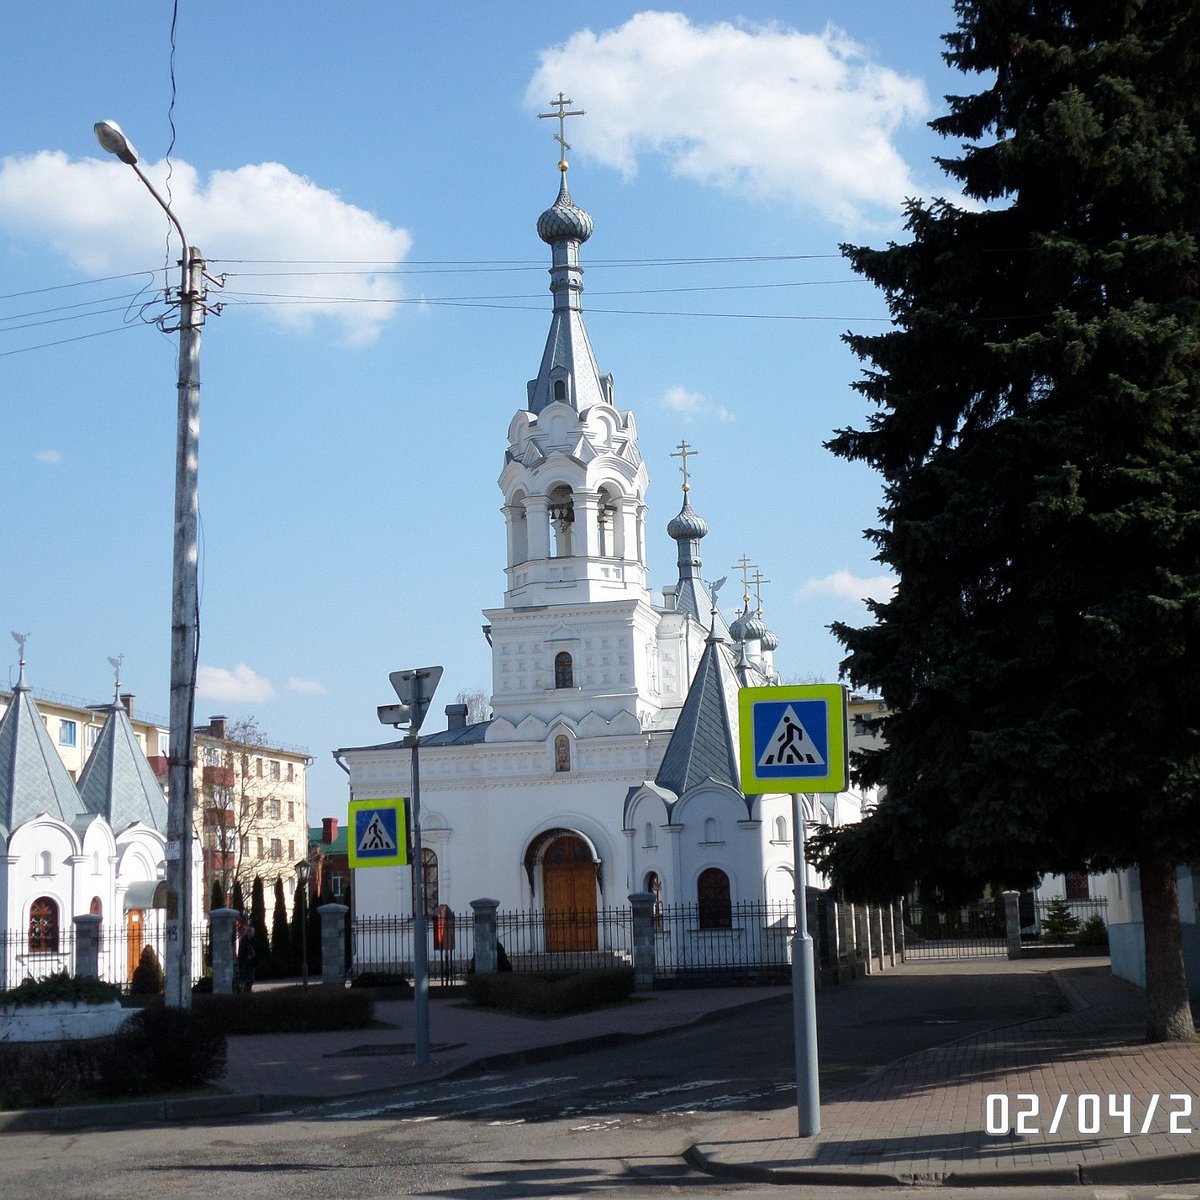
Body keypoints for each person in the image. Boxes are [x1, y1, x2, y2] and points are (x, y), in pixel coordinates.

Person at [237, 923, 257, 993]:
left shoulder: (249, 940)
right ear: (249, 932)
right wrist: (248, 956)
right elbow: (242, 952)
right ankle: (246, 993)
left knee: (250, 980)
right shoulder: (245, 941)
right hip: (247, 964)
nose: (253, 934)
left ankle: (247, 992)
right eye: (252, 932)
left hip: (250, 964)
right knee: (248, 980)